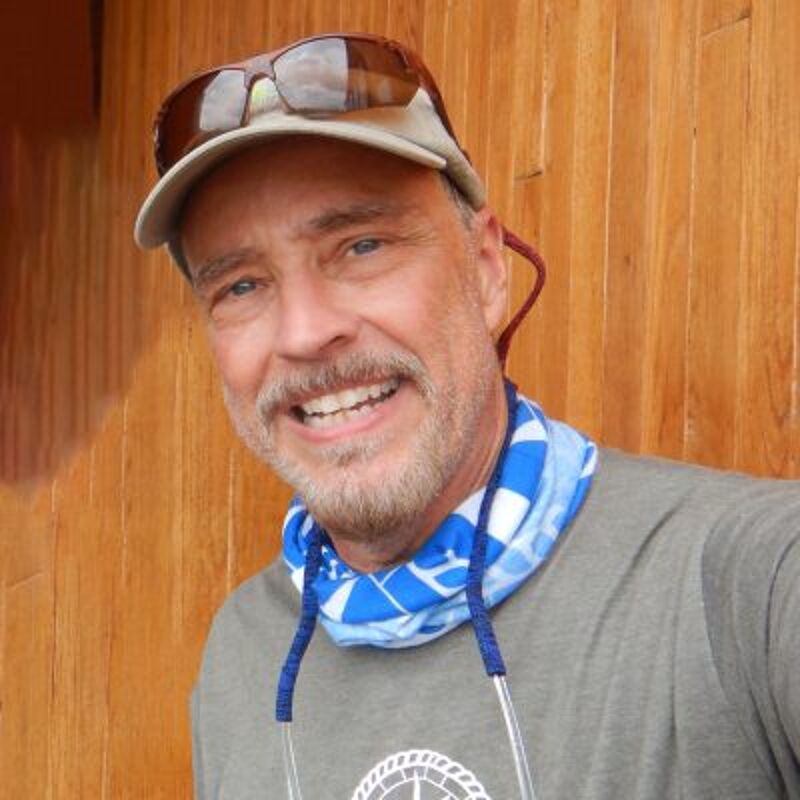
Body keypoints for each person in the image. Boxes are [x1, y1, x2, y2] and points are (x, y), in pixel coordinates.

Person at [135, 33, 800, 800]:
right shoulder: (241, 657)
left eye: (362, 244)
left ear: (487, 271)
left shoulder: (741, 585)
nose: (304, 333)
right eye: (241, 287)